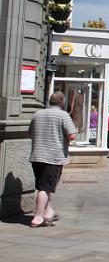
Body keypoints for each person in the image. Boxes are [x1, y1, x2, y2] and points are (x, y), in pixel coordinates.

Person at [28, 91, 76, 227]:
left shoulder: (37, 114)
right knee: (45, 187)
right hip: (53, 157)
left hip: (37, 156)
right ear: (62, 102)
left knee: (43, 185)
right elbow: (72, 135)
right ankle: (38, 218)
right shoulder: (63, 115)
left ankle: (49, 212)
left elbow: (30, 133)